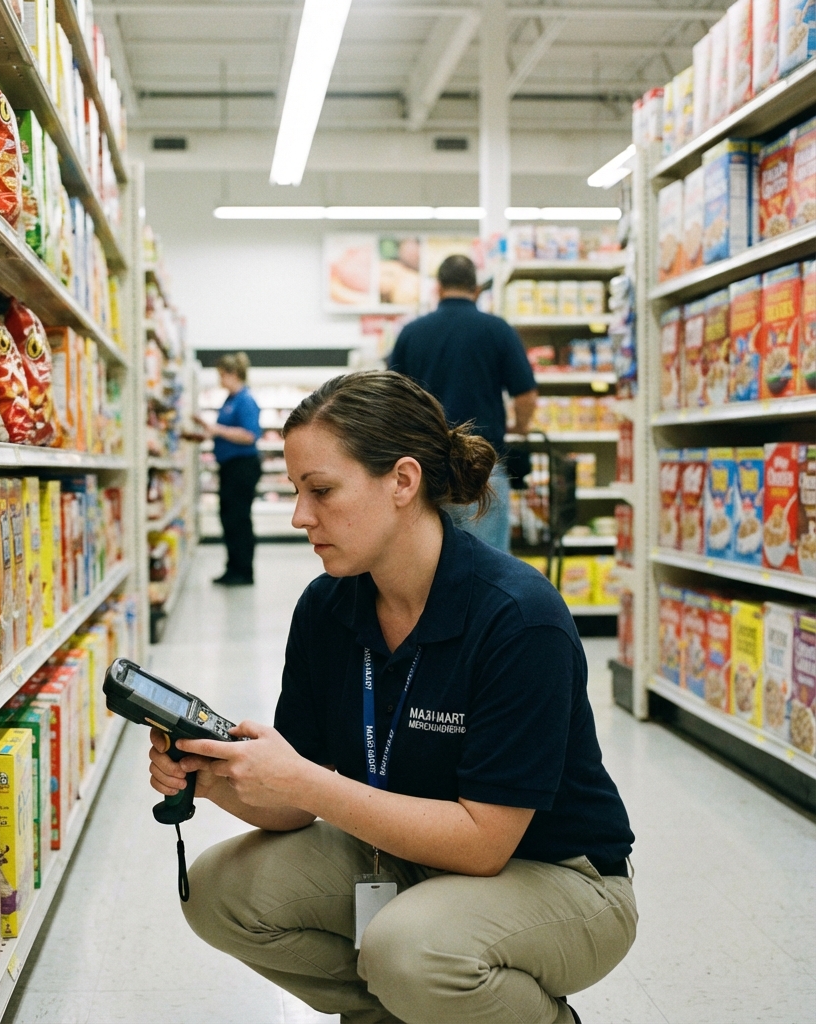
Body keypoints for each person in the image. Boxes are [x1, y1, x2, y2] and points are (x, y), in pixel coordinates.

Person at [149, 371, 637, 1024]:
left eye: (320, 490)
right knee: (217, 890)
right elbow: (293, 810)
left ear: (403, 482)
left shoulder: (518, 617)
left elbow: (483, 844)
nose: (300, 516)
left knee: (412, 950)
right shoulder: (327, 607)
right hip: (403, 856)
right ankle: (399, 1013)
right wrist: (217, 779)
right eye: (297, 491)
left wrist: (304, 783)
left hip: (556, 875)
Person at [388, 254, 538, 552]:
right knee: (488, 563)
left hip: (426, 468)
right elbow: (525, 394)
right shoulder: (498, 330)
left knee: (429, 560)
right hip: (482, 466)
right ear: (477, 289)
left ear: (438, 288)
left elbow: (393, 399)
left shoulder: (411, 333)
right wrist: (520, 426)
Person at [196, 352, 262, 586]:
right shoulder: (230, 399)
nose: (220, 380)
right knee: (229, 517)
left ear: (233, 374)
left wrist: (216, 430)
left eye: (222, 375)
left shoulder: (245, 400)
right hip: (230, 467)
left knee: (238, 518)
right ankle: (233, 567)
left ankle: (243, 571)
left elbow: (249, 434)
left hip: (242, 467)